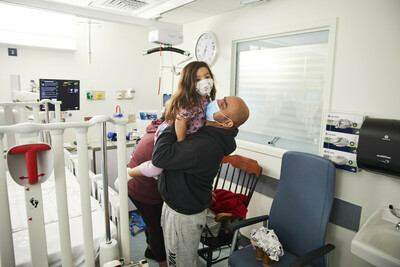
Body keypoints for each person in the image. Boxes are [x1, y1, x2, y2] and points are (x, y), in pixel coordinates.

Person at [152, 96, 250, 267]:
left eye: (223, 104)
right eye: (223, 98)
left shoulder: (205, 144)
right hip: (184, 205)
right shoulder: (209, 132)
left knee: (179, 263)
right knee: (187, 258)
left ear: (227, 123)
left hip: (181, 215)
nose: (217, 101)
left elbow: (160, 157)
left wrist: (174, 124)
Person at [128, 61, 217, 179]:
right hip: (172, 136)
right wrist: (181, 145)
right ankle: (129, 173)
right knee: (156, 168)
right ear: (189, 83)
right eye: (197, 79)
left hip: (186, 137)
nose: (204, 81)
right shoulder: (189, 101)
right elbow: (181, 122)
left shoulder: (206, 99)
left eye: (207, 77)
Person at [127, 118, 167, 267]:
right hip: (143, 190)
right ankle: (164, 264)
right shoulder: (161, 139)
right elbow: (156, 168)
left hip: (136, 185)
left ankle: (150, 249)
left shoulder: (156, 130)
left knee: (150, 221)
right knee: (156, 228)